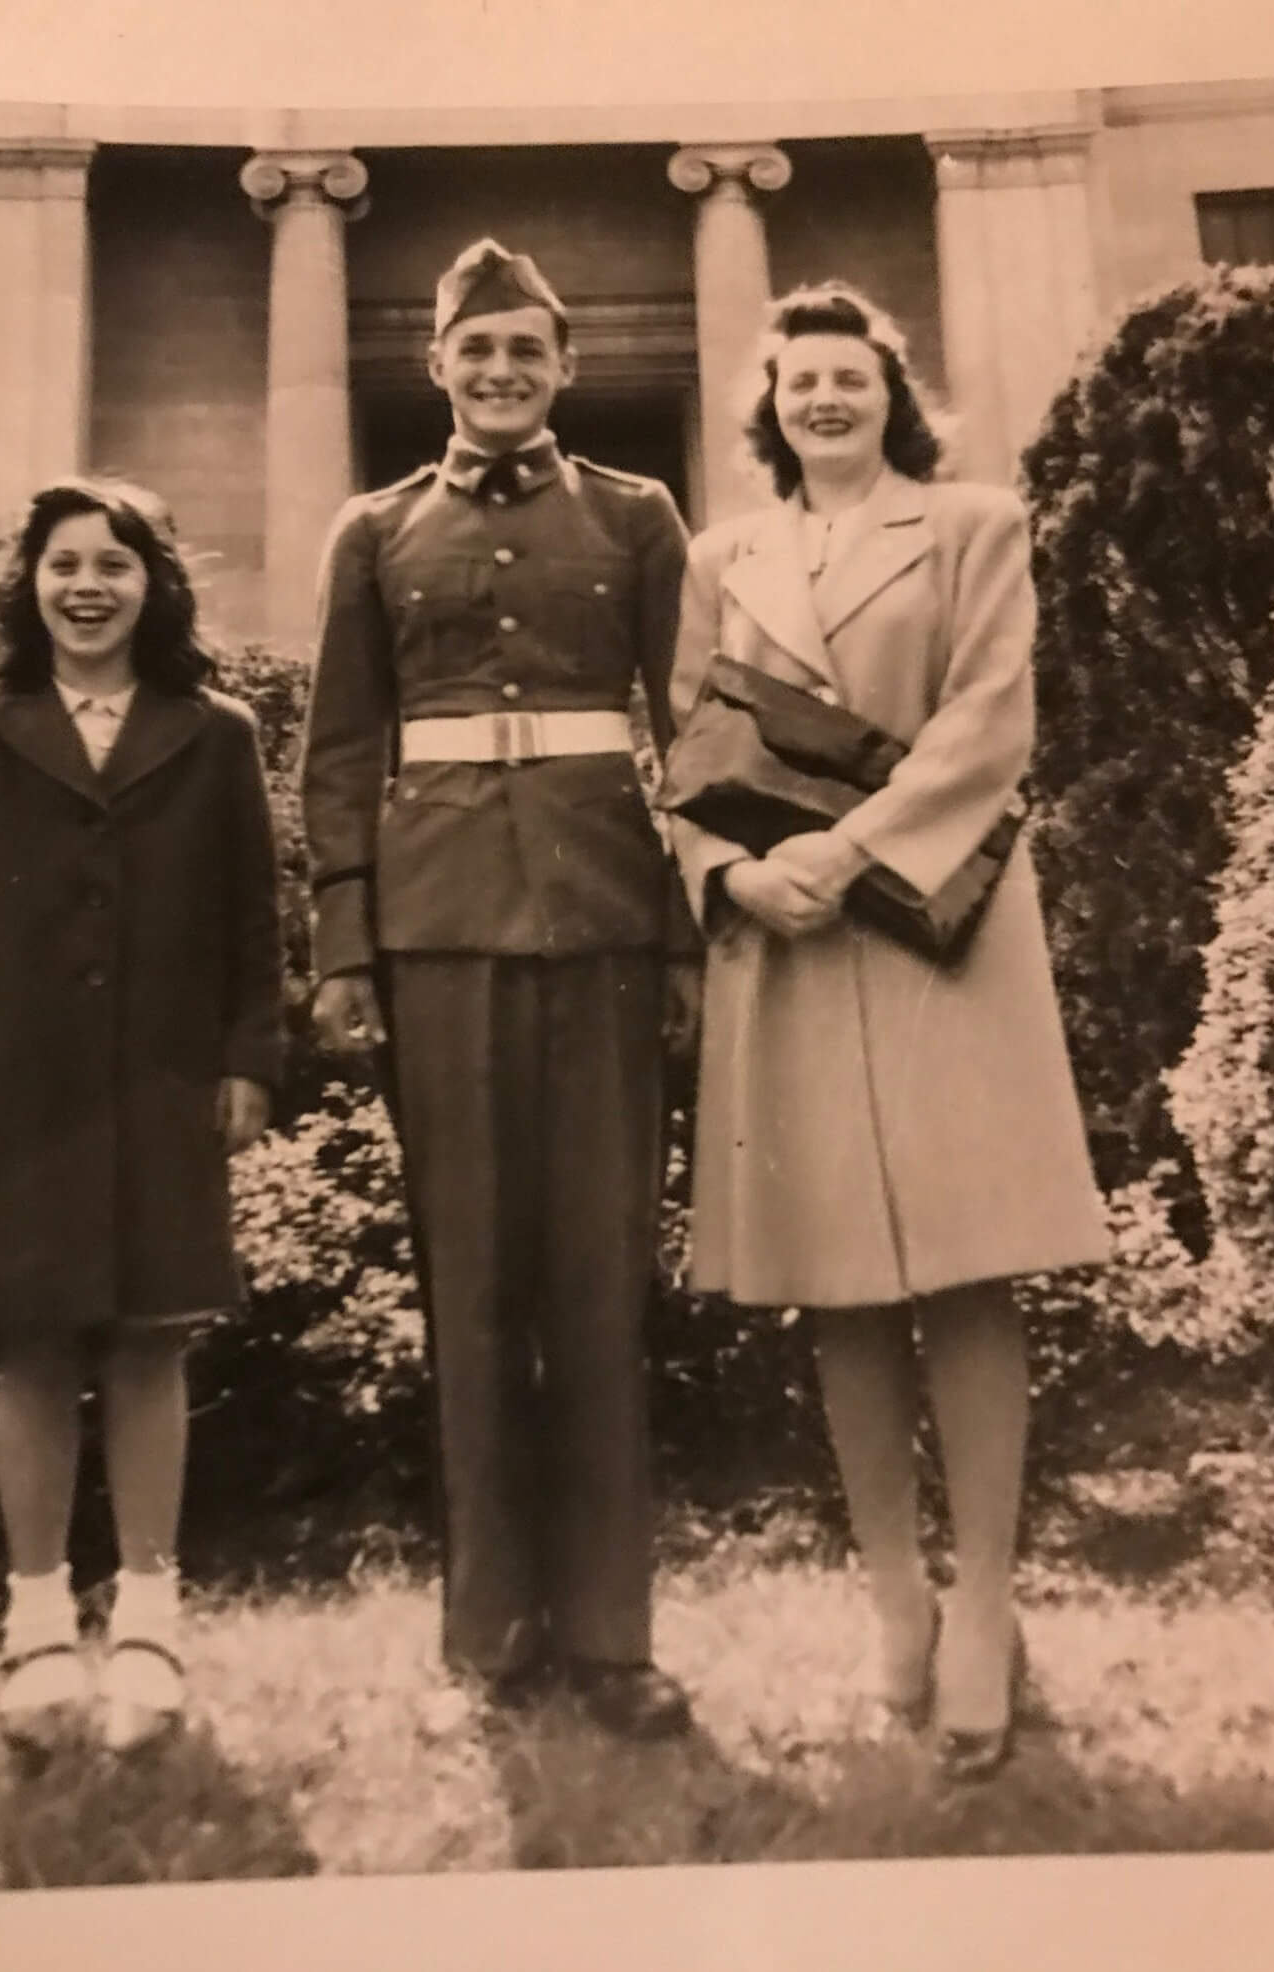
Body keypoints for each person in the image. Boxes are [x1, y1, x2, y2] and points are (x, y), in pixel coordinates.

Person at [665, 284, 1109, 1779]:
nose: (827, 405)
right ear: (771, 406)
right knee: (839, 1285)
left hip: (939, 933)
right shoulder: (724, 556)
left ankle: (985, 1603)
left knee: (967, 1272)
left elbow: (992, 724)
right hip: (783, 946)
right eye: (802, 386)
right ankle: (895, 1606)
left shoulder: (973, 523)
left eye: (851, 381)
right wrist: (731, 873)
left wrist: (840, 857)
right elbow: (686, 749)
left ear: (891, 393)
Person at [302, 238, 699, 1739]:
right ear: (439, 369)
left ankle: (612, 1639)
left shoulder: (637, 516)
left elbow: (698, 740)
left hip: (603, 918)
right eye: (478, 353)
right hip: (442, 928)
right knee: (469, 1288)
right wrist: (346, 944)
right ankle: (487, 1641)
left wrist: (682, 943)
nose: (502, 374)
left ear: (565, 366)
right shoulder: (374, 531)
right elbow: (339, 753)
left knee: (602, 1287)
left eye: (527, 351)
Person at [0, 477, 284, 1757]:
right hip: (17, 1080)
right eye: (64, 564)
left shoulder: (213, 729)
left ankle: (154, 1618)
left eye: (113, 565)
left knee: (150, 1337)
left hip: (167, 1072)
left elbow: (250, 913)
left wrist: (246, 1057)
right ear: (30, 583)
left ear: (151, 586)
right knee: (32, 1343)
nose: (87, 587)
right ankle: (38, 1623)